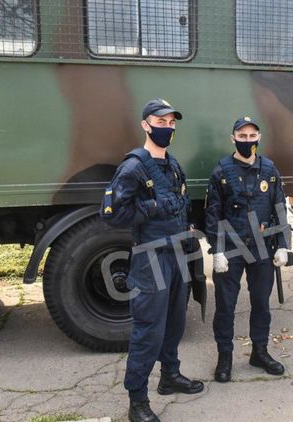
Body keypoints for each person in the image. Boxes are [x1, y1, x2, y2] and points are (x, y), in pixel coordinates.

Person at [101, 98, 203, 422]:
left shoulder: (173, 165)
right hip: (151, 260)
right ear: (145, 125)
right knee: (148, 331)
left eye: (171, 123)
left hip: (177, 255)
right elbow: (111, 215)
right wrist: (150, 208)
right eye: (161, 122)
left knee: (175, 324)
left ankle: (169, 376)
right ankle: (138, 401)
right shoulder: (133, 167)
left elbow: (181, 203)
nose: (168, 128)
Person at [204, 116, 291, 383]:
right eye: (242, 136)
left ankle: (259, 352)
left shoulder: (269, 169)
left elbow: (280, 208)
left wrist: (283, 245)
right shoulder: (221, 171)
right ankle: (225, 357)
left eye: (252, 136)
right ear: (233, 139)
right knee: (225, 306)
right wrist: (217, 250)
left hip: (263, 248)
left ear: (259, 138)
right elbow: (213, 213)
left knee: (261, 303)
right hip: (231, 248)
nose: (247, 140)